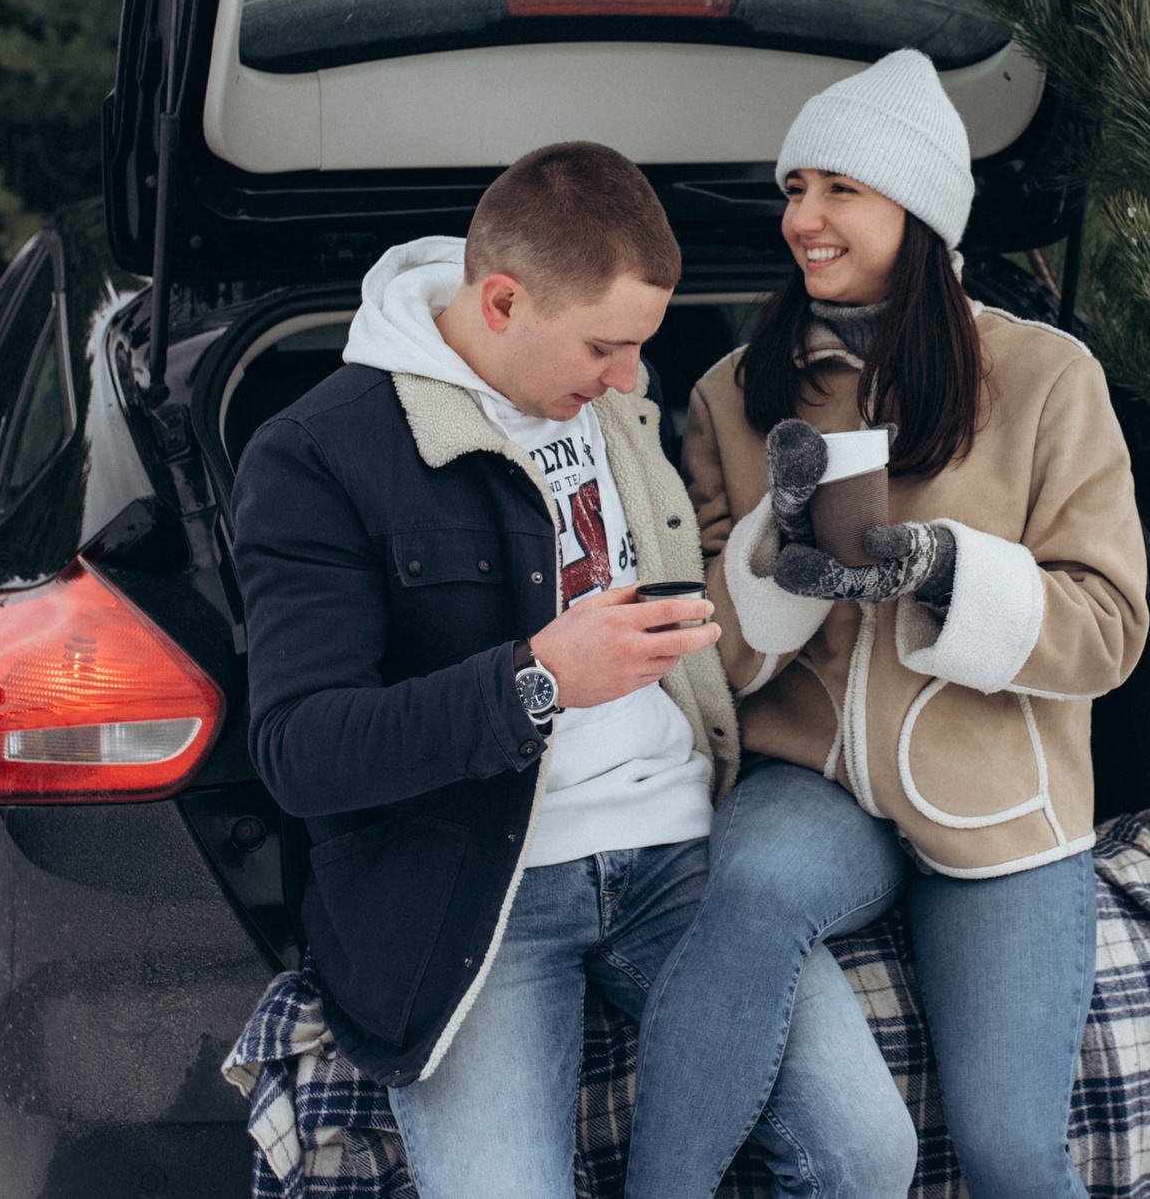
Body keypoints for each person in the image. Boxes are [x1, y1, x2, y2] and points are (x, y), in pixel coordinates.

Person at [232, 141, 915, 1199]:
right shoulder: (319, 452)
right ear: (502, 299)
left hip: (680, 852)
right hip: (478, 889)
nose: (628, 378)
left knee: (867, 1154)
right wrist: (536, 679)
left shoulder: (611, 405)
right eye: (605, 345)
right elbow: (300, 749)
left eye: (639, 346)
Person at [627, 51, 1150, 1199]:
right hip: (809, 776)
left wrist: (947, 569)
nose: (802, 218)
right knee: (750, 894)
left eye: (839, 189)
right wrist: (776, 556)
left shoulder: (1047, 378)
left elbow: (1110, 628)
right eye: (793, 187)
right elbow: (709, 650)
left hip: (999, 808)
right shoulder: (732, 391)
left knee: (1011, 1151)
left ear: (915, 211)